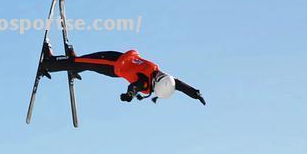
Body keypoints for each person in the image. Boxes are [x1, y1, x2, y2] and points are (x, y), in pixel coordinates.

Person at [41, 46, 206, 105]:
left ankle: (49, 63)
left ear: (156, 82)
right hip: (120, 58)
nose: (161, 74)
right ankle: (74, 65)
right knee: (85, 61)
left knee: (82, 61)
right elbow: (178, 84)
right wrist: (195, 93)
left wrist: (129, 95)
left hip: (113, 65)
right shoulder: (161, 79)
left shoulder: (145, 82)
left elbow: (134, 87)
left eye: (160, 77)